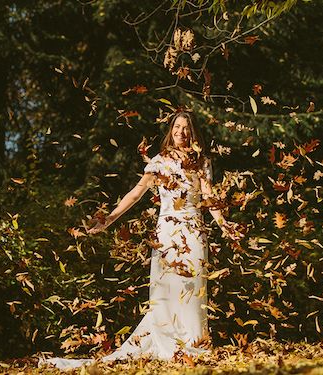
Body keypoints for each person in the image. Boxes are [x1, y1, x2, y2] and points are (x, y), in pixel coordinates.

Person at [40, 112, 240, 370]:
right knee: (166, 288)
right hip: (167, 230)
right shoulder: (159, 161)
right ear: (171, 131)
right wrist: (109, 219)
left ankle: (193, 342)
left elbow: (209, 197)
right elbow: (135, 194)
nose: (181, 131)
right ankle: (167, 341)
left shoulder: (200, 161)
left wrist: (224, 225)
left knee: (193, 284)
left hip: (194, 229)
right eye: (177, 127)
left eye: (186, 128)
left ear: (193, 133)